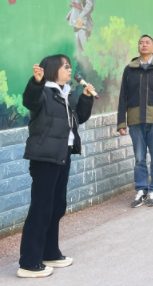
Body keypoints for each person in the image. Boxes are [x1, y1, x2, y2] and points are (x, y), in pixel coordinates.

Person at [18, 55, 95, 278]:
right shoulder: (43, 91)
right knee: (41, 208)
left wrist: (86, 98)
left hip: (63, 154)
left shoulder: (66, 94)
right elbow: (30, 101)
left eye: (70, 66)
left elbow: (79, 118)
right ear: (53, 69)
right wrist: (36, 82)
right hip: (45, 157)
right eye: (65, 66)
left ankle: (49, 253)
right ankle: (29, 263)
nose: (70, 70)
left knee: (56, 206)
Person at [117, 35, 153, 208]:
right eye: (141, 42)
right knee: (139, 158)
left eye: (147, 42)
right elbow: (123, 96)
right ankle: (141, 190)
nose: (144, 45)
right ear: (138, 47)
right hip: (135, 120)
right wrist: (121, 122)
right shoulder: (130, 69)